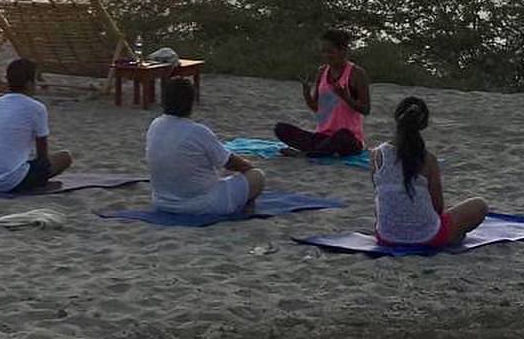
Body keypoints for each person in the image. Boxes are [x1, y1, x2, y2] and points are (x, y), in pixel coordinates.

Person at [372, 96, 488, 247]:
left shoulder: (376, 155)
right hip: (427, 237)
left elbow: (379, 197)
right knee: (480, 205)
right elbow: (437, 207)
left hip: (386, 236)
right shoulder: (429, 160)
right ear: (423, 125)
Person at [147, 77, 265, 216]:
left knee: (223, 172)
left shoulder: (155, 125)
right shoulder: (198, 131)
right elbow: (231, 162)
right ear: (190, 102)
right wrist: (249, 168)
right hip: (201, 205)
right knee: (258, 176)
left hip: (162, 203)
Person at [0, 58, 73, 193]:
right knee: (65, 157)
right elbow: (42, 156)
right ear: (29, 84)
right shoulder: (36, 108)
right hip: (11, 181)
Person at [275, 28, 370, 157]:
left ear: (343, 51)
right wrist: (307, 94)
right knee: (281, 128)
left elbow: (366, 109)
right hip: (323, 136)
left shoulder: (357, 74)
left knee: (342, 136)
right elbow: (317, 108)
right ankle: (318, 151)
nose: (326, 55)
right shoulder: (322, 72)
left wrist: (345, 97)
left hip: (349, 139)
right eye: (323, 52)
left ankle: (308, 154)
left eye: (330, 52)